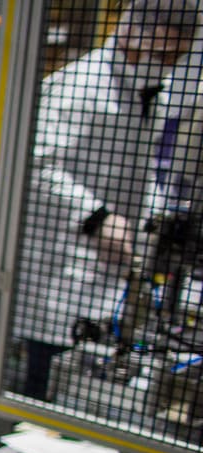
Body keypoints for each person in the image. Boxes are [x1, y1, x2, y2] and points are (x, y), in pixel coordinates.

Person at [13, 0, 199, 400]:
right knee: (46, 391)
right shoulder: (81, 85)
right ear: (135, 32)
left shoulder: (150, 95)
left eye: (176, 57)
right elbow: (33, 163)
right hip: (60, 279)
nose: (166, 65)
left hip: (108, 285)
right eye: (164, 53)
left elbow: (142, 168)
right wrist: (96, 218)